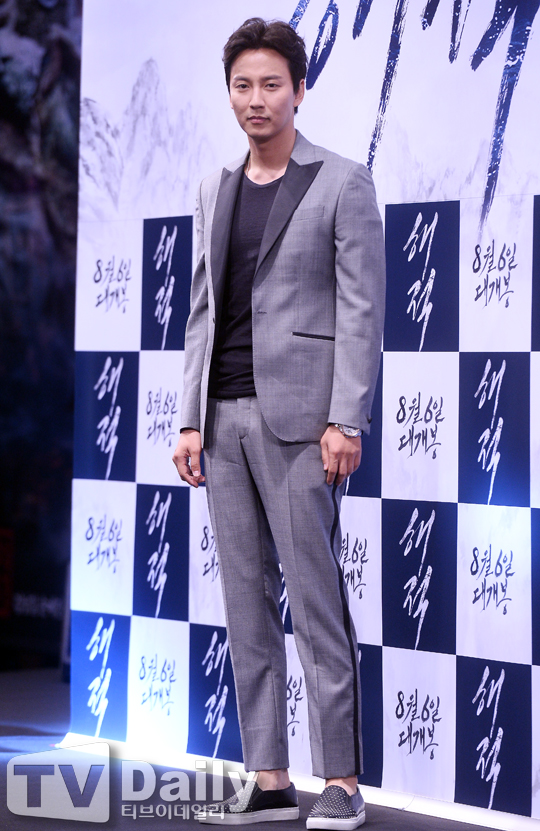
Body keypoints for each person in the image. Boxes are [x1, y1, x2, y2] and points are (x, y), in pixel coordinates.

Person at [173, 17, 385, 829]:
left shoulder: (342, 182)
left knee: (315, 598)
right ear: (229, 93)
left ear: (300, 89)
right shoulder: (213, 187)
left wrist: (346, 418)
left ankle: (343, 780)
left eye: (271, 84)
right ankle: (269, 776)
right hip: (221, 419)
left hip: (301, 423)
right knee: (244, 602)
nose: (255, 99)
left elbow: (361, 311)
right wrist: (189, 418)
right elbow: (202, 310)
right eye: (242, 85)